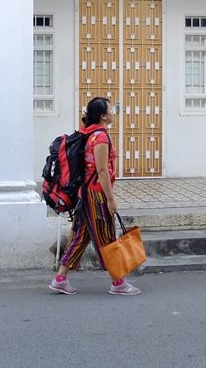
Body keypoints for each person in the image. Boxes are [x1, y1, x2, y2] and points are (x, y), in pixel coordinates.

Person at [49, 97, 141, 296]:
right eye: (110, 108)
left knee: (81, 236)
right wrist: (110, 199)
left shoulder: (89, 134)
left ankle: (60, 279)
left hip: (86, 193)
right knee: (107, 237)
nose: (113, 111)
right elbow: (101, 170)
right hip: (96, 195)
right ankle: (118, 283)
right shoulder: (100, 137)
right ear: (103, 116)